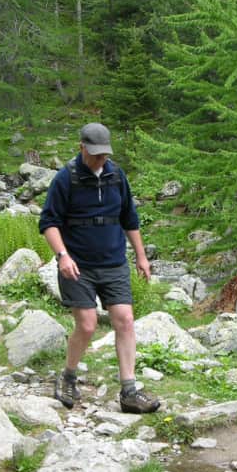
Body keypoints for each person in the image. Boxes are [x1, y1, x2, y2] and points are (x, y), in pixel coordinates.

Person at [38, 122, 160, 414]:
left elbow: (130, 218)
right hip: (77, 264)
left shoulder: (117, 176)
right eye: (95, 154)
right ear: (81, 147)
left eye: (104, 154)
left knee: (125, 320)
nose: (100, 159)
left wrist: (141, 257)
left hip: (114, 262)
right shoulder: (65, 179)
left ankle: (129, 391)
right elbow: (48, 223)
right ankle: (68, 376)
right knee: (88, 324)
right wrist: (62, 256)